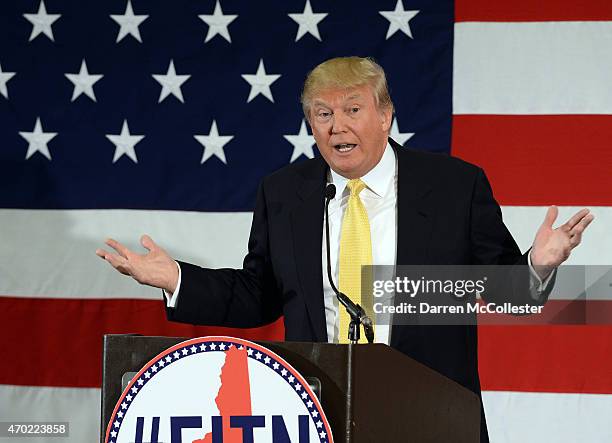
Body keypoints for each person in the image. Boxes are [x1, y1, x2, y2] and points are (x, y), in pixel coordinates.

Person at [96, 56, 594, 441]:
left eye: (353, 110)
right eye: (323, 114)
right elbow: (261, 294)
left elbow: (509, 294)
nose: (338, 126)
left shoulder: (453, 186)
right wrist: (179, 280)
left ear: (385, 116)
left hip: (431, 411)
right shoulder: (284, 191)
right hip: (318, 410)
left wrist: (538, 264)